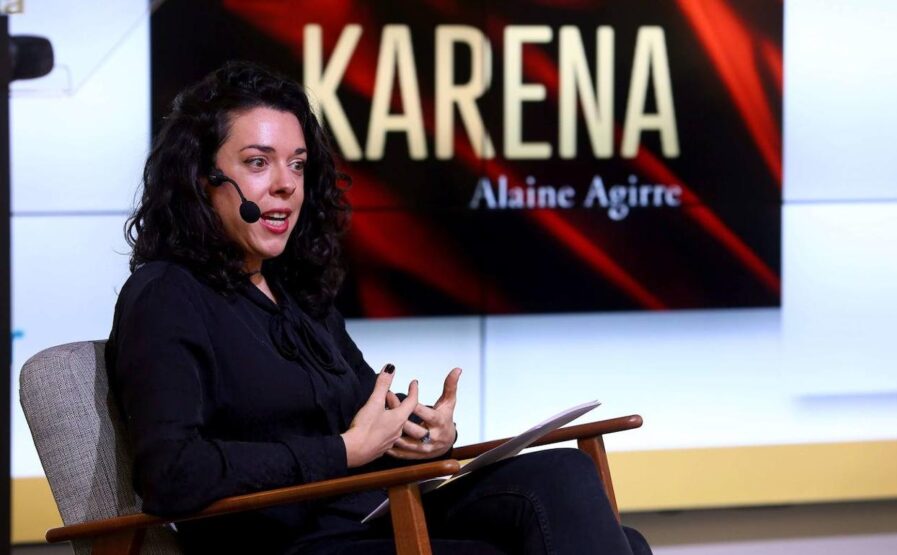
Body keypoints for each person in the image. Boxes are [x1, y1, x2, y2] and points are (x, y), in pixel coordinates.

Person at [107, 61, 651, 554]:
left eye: (297, 165)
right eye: (257, 163)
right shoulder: (166, 295)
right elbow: (171, 473)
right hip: (288, 545)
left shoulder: (296, 294)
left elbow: (368, 423)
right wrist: (343, 451)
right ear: (202, 180)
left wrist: (422, 436)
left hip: (369, 516)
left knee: (567, 479)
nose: (285, 185)